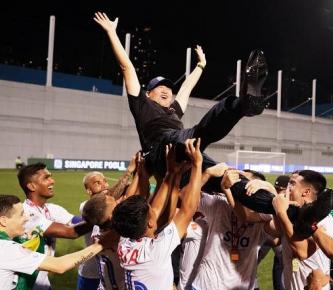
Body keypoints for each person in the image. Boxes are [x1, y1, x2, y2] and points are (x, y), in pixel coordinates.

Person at [93, 12, 269, 183]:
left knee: (227, 178)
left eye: (169, 89)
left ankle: (275, 205)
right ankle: (239, 106)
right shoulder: (142, 104)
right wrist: (111, 32)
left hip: (185, 152)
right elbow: (127, 68)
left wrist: (200, 65)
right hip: (161, 150)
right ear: (148, 94)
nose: (166, 91)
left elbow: (186, 88)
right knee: (196, 134)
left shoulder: (173, 111)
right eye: (159, 87)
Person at [112, 138, 202, 290]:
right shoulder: (155, 251)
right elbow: (187, 211)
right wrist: (197, 165)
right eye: (150, 211)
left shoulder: (124, 242)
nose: (153, 208)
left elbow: (156, 209)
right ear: (150, 223)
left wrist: (171, 173)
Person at [0, 195, 108, 290]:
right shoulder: (7, 249)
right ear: (3, 220)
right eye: (21, 214)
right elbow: (60, 265)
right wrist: (100, 244)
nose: (26, 218)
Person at [17, 163, 92, 290]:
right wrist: (101, 217)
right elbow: (71, 232)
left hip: (44, 288)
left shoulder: (51, 209)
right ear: (31, 186)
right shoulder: (25, 215)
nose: (52, 181)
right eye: (46, 178)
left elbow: (78, 222)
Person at [76, 155, 139, 290]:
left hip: (115, 274)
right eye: (97, 183)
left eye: (104, 181)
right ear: (88, 190)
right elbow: (105, 201)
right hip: (90, 273)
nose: (104, 184)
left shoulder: (113, 203)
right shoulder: (86, 207)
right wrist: (128, 172)